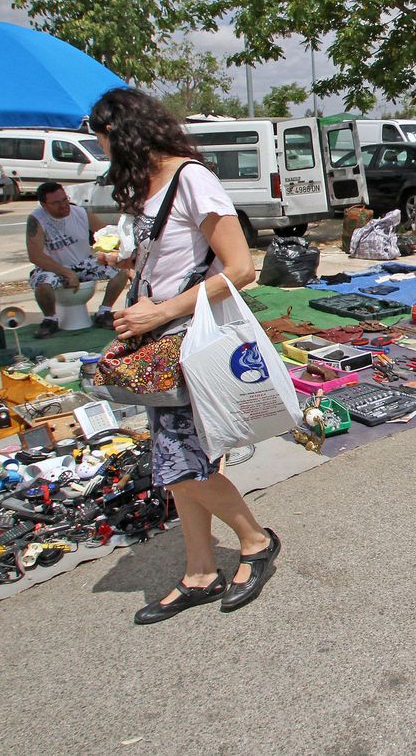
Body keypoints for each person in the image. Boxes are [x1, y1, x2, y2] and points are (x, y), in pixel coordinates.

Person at [87, 88, 278, 624]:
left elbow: (240, 268)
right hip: (155, 338)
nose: (106, 157)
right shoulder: (150, 188)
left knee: (179, 462)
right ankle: (199, 570)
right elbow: (144, 269)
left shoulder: (191, 178)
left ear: (125, 135)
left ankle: (255, 540)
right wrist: (125, 320)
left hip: (184, 337)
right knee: (179, 464)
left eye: (106, 145)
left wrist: (158, 312)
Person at [27, 181, 130, 337]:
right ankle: (50, 318)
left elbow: (106, 233)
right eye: (56, 203)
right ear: (44, 205)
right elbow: (35, 256)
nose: (63, 205)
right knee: (43, 284)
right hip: (53, 267)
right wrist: (66, 272)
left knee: (122, 271)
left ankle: (104, 311)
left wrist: (114, 251)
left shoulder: (80, 212)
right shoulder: (37, 219)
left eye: (64, 199)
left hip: (83, 262)